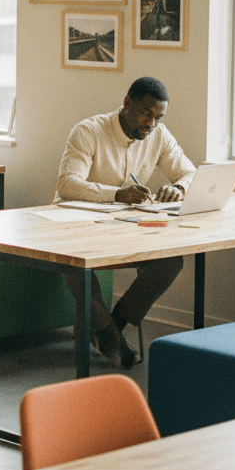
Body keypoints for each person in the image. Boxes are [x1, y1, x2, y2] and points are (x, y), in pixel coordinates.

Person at [54, 75, 196, 368]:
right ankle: (109, 335)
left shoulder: (159, 134)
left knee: (170, 261)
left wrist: (178, 188)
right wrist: (117, 194)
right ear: (128, 103)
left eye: (158, 116)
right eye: (146, 113)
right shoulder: (88, 131)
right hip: (73, 223)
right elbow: (67, 184)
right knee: (75, 264)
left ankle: (112, 325)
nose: (152, 123)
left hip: (123, 225)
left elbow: (189, 172)